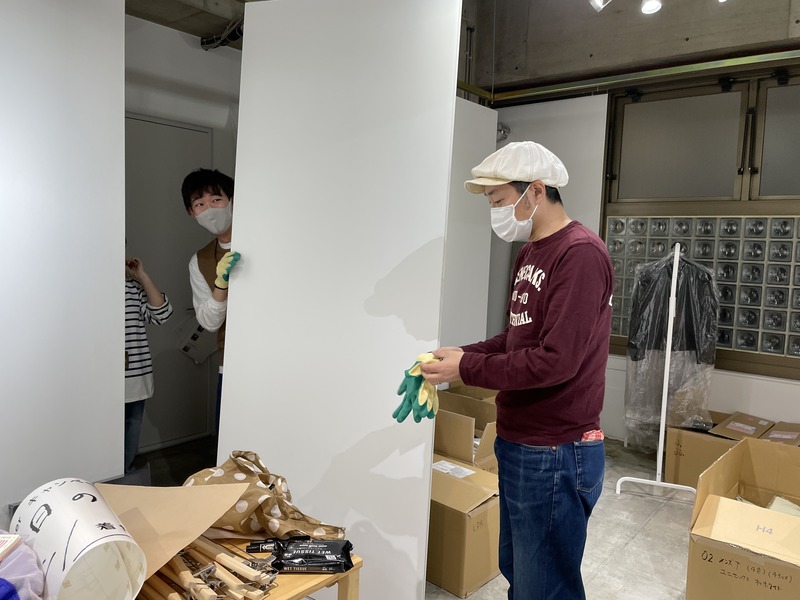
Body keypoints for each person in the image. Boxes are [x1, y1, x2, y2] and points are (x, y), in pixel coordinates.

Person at [420, 141, 614, 600]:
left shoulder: (580, 254)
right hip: (520, 439)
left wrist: (468, 368)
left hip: (555, 447)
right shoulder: (530, 252)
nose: (496, 212)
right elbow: (516, 338)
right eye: (491, 203)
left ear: (537, 191)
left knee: (544, 585)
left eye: (500, 200)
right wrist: (462, 353)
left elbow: (556, 360)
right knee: (522, 575)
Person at [181, 168, 241, 436]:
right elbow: (208, 321)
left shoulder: (266, 240)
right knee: (232, 444)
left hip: (281, 357)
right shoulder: (200, 260)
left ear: (232, 200)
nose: (209, 210)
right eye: (200, 204)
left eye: (216, 200)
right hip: (232, 363)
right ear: (191, 213)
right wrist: (220, 286)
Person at [125, 254, 173, 473]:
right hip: (98, 380)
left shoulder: (132, 287)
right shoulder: (88, 286)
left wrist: (142, 277)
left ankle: (125, 480)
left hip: (134, 377)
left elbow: (161, 314)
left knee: (129, 436)